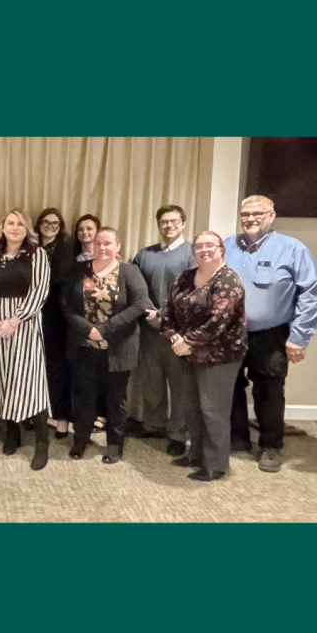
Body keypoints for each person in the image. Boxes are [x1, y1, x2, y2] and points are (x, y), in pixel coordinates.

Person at [224, 195, 317, 472]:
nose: (250, 218)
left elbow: (310, 295)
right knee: (231, 387)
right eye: (245, 214)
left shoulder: (292, 249)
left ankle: (271, 446)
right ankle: (238, 438)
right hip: (230, 333)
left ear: (271, 215)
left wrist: (299, 337)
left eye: (257, 213)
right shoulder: (228, 245)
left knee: (269, 391)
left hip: (271, 335)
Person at [162, 232, 247, 481]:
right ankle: (196, 455)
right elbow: (169, 312)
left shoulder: (228, 280)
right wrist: (174, 338)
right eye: (199, 246)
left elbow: (218, 321)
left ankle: (216, 464)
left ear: (221, 249)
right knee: (192, 408)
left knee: (213, 411)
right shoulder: (185, 277)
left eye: (210, 245)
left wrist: (187, 342)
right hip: (186, 352)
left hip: (220, 357)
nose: (204, 250)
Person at [64, 227, 151, 463]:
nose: (103, 248)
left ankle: (114, 444)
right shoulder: (79, 270)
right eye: (99, 243)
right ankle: (80, 440)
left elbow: (141, 304)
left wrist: (104, 330)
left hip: (119, 348)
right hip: (84, 347)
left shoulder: (129, 271)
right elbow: (66, 304)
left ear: (118, 246)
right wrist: (88, 329)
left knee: (116, 400)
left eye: (108, 243)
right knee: (84, 397)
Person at [0, 209, 51, 469]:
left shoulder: (38, 255)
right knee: (3, 379)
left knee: (29, 382)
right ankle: (13, 432)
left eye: (20, 223)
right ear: (3, 227)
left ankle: (42, 441)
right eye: (10, 222)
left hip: (25, 325)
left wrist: (15, 320)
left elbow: (40, 291)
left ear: (27, 229)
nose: (14, 227)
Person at [131, 204, 195, 456]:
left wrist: (164, 316)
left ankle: (178, 433)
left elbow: (193, 292)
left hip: (179, 332)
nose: (169, 226)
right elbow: (136, 288)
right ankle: (154, 424)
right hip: (148, 328)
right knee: (152, 381)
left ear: (183, 223)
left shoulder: (192, 254)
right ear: (158, 225)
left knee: (179, 385)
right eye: (163, 222)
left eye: (174, 221)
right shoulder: (145, 254)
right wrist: (151, 314)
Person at [36, 207, 75, 438]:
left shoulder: (66, 248)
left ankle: (61, 419)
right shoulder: (30, 247)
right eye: (45, 222)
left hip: (56, 318)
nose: (50, 227)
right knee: (33, 370)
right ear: (39, 224)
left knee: (57, 369)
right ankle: (36, 416)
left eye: (55, 224)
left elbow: (64, 281)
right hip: (30, 316)